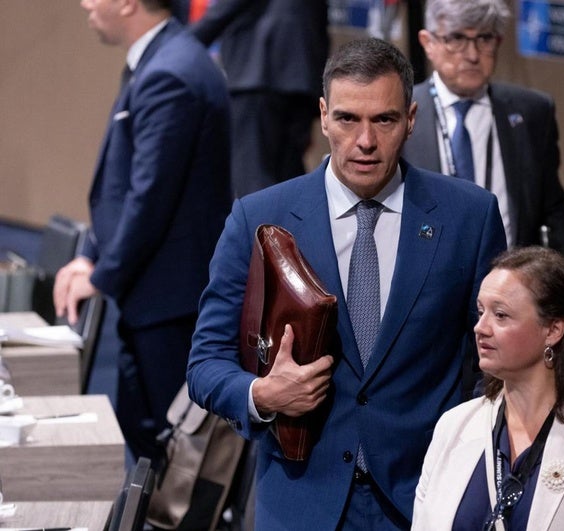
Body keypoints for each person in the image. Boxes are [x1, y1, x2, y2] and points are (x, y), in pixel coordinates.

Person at [186, 38, 507, 530]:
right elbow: (206, 363)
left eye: (384, 120)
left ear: (411, 119)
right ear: (322, 116)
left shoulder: (470, 216)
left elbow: (498, 361)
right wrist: (263, 395)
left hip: (423, 500)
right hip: (300, 502)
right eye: (347, 119)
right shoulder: (259, 216)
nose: (365, 141)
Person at [54, 0, 232, 464]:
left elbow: (150, 196)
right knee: (150, 444)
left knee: (177, 458)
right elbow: (127, 185)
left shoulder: (170, 73)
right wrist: (91, 253)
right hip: (154, 296)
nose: (85, 4)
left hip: (170, 303)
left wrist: (100, 275)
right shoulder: (161, 60)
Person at [412, 246, 564, 530]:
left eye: (501, 315)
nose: (480, 328)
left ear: (553, 330)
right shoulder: (453, 426)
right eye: (481, 312)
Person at [402, 0, 564, 260]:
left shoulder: (532, 112)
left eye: (484, 39)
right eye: (457, 39)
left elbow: (554, 209)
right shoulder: (400, 114)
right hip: (428, 283)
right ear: (428, 43)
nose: (472, 54)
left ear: (498, 42)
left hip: (510, 282)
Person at [173, 0, 330, 197]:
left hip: (260, 72)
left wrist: (176, 47)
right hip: (301, 78)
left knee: (254, 179)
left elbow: (226, 9)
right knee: (288, 182)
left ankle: (260, 228)